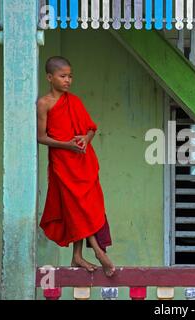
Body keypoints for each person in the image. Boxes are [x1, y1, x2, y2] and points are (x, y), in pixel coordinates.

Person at [37, 56, 115, 277]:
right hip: (62, 162)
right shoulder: (44, 104)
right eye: (63, 76)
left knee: (86, 205)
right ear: (50, 77)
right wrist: (66, 145)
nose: (68, 80)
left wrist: (85, 139)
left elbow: (91, 128)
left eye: (70, 76)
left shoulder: (75, 101)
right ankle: (99, 252)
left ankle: (77, 255)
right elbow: (41, 137)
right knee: (74, 206)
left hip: (82, 160)